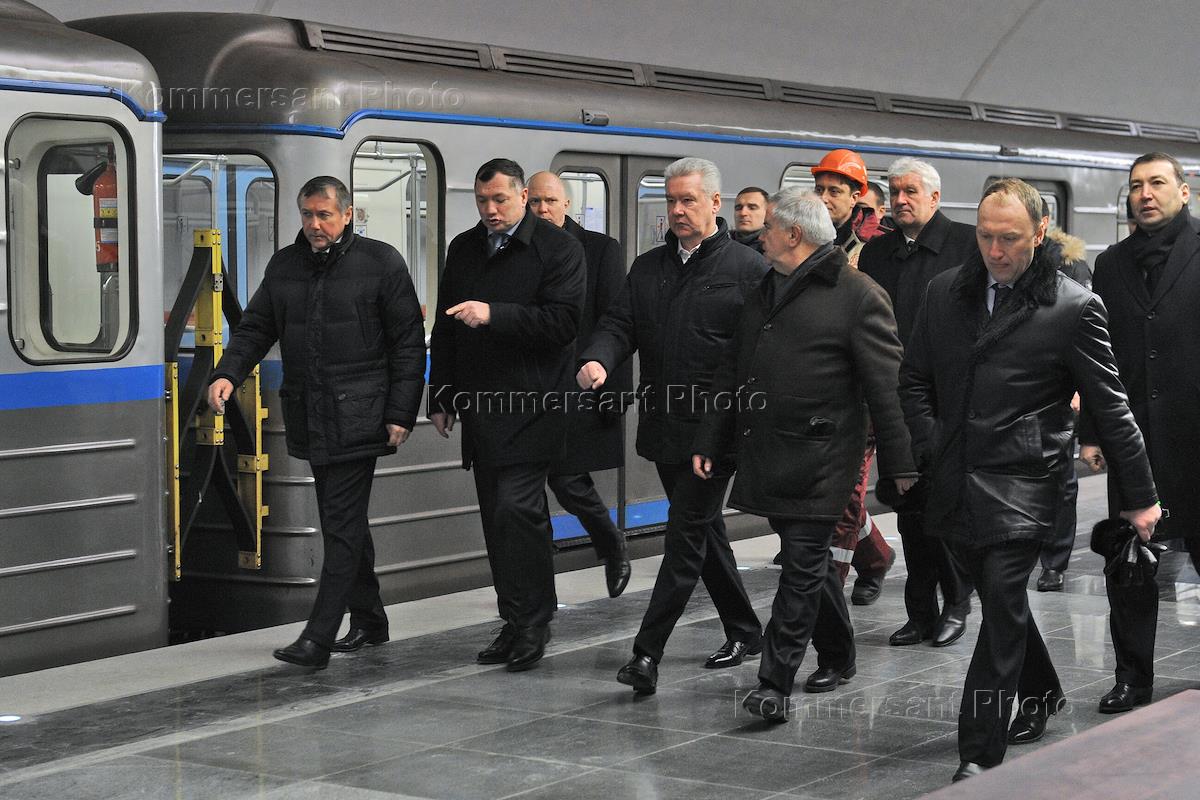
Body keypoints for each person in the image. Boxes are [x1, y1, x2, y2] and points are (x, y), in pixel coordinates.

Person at [900, 178, 1158, 782]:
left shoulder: (1072, 307)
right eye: (985, 236)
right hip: (955, 475)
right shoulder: (945, 292)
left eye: (1010, 238)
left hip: (1025, 482)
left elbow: (1112, 408)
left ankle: (977, 753)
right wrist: (932, 440)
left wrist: (1141, 497)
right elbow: (913, 379)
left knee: (1000, 604)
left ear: (1040, 233)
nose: (995, 251)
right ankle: (1041, 692)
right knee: (1002, 600)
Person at [691, 188, 916, 720]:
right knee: (807, 563)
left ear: (793, 234)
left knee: (800, 564)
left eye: (768, 226)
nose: (759, 235)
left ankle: (773, 682)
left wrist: (901, 464)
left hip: (824, 457)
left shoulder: (858, 294)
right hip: (769, 452)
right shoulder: (765, 288)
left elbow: (887, 387)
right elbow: (733, 369)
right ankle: (839, 653)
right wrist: (710, 438)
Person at [207, 175, 426, 669]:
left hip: (362, 415)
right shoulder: (285, 265)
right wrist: (227, 374)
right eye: (307, 214)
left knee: (341, 524)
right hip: (312, 413)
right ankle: (370, 619)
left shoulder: (382, 262)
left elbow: (408, 342)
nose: (314, 224)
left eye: (324, 215)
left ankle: (318, 638)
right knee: (342, 521)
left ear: (347, 214)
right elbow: (256, 327)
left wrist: (400, 412)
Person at [579, 157, 765, 694]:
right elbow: (620, 324)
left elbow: (753, 357)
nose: (678, 210)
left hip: (716, 430)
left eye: (688, 200)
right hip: (664, 425)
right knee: (704, 531)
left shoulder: (748, 270)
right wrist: (599, 358)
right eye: (672, 201)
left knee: (683, 537)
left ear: (715, 203)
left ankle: (646, 653)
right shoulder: (648, 267)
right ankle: (746, 630)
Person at [428, 158, 585, 672]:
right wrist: (441, 395)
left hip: (534, 405)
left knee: (518, 511)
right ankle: (515, 619)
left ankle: (534, 622)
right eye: (482, 201)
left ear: (522, 196)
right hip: (481, 407)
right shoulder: (464, 248)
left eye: (499, 199)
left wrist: (494, 314)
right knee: (497, 517)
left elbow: (563, 323)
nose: (490, 210)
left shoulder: (559, 249)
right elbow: (446, 328)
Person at [1081, 151, 1200, 714]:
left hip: (1196, 438)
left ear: (1185, 190)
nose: (1145, 194)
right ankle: (1133, 678)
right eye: (1135, 185)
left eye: (1156, 183)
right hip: (1136, 444)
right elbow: (1094, 358)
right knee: (1128, 565)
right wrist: (1091, 430)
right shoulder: (1111, 264)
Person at [859, 157, 978, 649]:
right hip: (893, 399)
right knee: (908, 510)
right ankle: (920, 612)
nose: (900, 200)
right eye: (894, 192)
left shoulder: (967, 244)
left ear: (935, 196)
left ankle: (957, 603)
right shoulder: (877, 252)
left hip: (949, 397)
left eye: (911, 191)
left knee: (944, 507)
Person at [526, 171, 631, 597]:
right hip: (527, 388)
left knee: (566, 479)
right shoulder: (519, 251)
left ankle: (610, 541)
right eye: (535, 202)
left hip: (580, 386)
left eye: (550, 201)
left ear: (566, 204)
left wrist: (614, 395)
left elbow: (615, 321)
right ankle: (536, 594)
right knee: (527, 492)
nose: (543, 209)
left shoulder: (601, 250)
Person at [1036, 203, 1093, 592]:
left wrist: (1077, 387)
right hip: (1015, 384)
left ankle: (1054, 561)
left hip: (1057, 385)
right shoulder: (999, 260)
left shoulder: (1069, 264)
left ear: (1042, 224)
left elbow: (1084, 331)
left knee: (1059, 477)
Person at [731, 186, 769, 253]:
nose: (743, 213)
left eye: (752, 208)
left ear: (767, 212)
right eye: (738, 208)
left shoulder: (775, 248)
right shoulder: (721, 242)